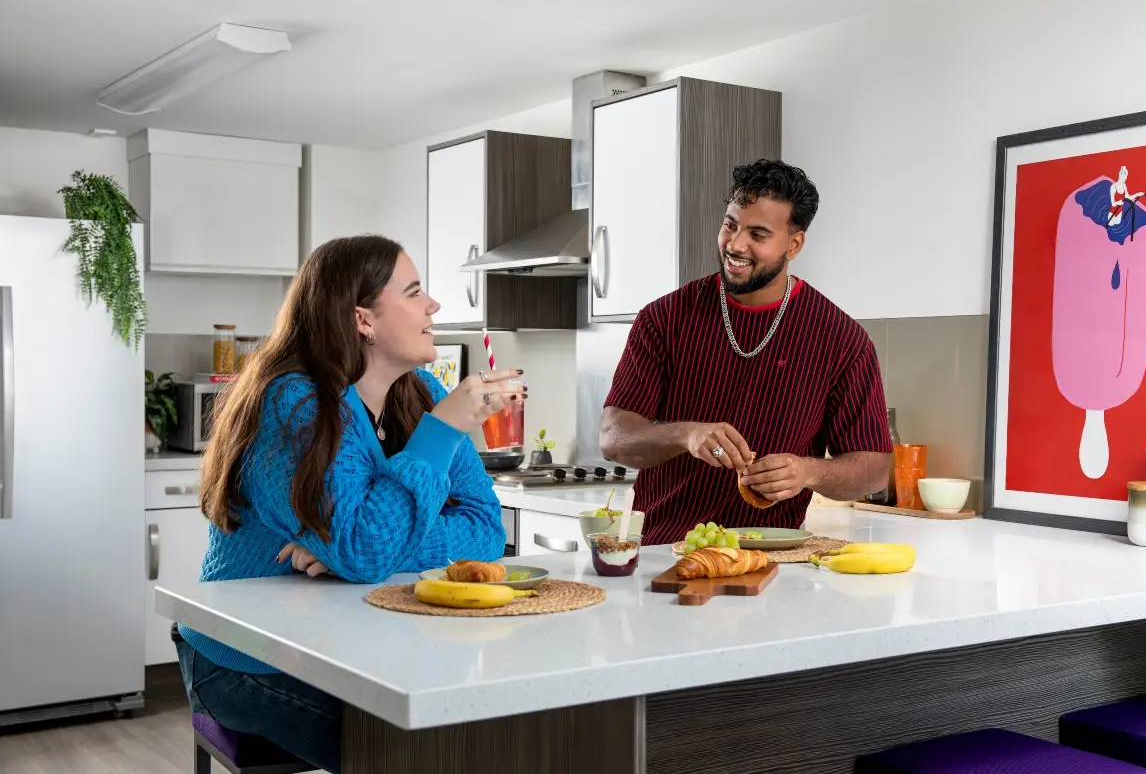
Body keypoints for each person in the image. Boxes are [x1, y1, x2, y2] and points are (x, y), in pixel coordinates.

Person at [172, 234, 523, 773]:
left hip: (361, 642)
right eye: (414, 292)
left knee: (487, 731)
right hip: (251, 658)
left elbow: (484, 531)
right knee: (416, 755)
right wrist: (441, 433)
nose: (433, 305)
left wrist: (354, 553)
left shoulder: (422, 390)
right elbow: (362, 547)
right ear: (364, 319)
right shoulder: (295, 402)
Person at [599, 159, 893, 545]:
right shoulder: (664, 318)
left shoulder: (842, 340)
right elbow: (613, 438)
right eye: (730, 225)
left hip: (774, 561)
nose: (735, 245)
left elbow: (873, 470)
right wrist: (685, 435)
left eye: (758, 234)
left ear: (794, 244)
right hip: (664, 553)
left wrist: (808, 472)